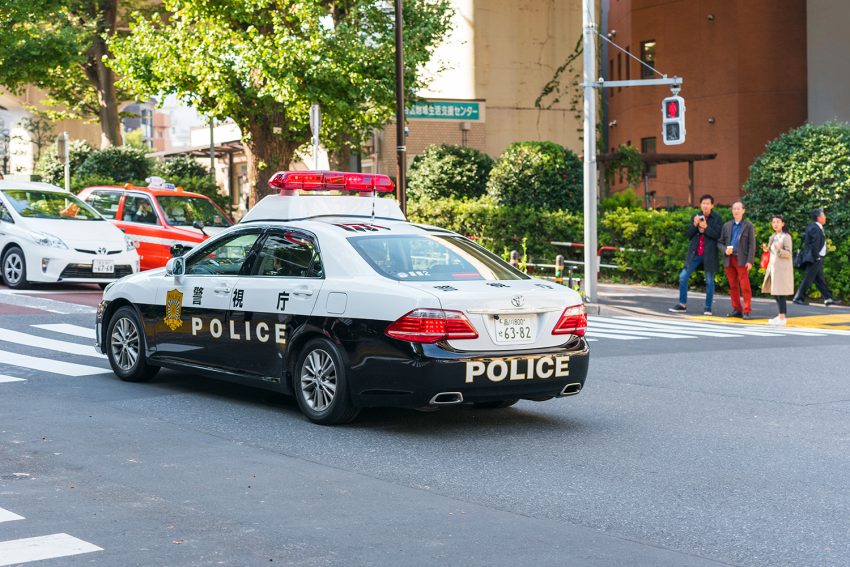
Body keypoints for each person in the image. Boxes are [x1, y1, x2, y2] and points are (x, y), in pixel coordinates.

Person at [669, 194, 723, 315]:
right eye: (703, 203)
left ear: (712, 205)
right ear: (700, 205)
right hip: (695, 254)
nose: (705, 206)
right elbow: (688, 235)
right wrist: (694, 225)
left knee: (709, 281)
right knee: (683, 277)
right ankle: (682, 304)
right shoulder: (696, 216)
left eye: (708, 204)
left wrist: (706, 228)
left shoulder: (717, 218)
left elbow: (718, 236)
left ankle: (708, 307)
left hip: (709, 254)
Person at [792, 208, 839, 306]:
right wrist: (816, 257)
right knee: (808, 278)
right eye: (824, 215)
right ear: (819, 218)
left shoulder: (816, 227)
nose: (825, 217)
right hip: (815, 258)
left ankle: (828, 298)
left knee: (820, 279)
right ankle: (798, 298)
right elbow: (814, 244)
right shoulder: (815, 228)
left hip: (816, 257)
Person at [719, 201, 756, 318]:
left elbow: (752, 245)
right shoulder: (727, 226)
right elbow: (719, 242)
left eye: (738, 209)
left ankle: (746, 309)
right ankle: (736, 309)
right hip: (729, 259)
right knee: (733, 285)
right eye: (734, 209)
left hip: (742, 259)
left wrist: (750, 260)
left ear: (743, 210)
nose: (736, 211)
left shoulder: (748, 226)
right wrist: (725, 249)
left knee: (745, 285)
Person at [761, 214, 794, 325]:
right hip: (773, 268)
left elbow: (789, 254)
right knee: (775, 292)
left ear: (783, 224)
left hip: (782, 270)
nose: (775, 224)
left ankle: (782, 317)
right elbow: (772, 252)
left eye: (778, 222)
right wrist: (767, 249)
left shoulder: (786, 237)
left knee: (781, 294)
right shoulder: (773, 236)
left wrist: (779, 250)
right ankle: (780, 316)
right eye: (774, 222)